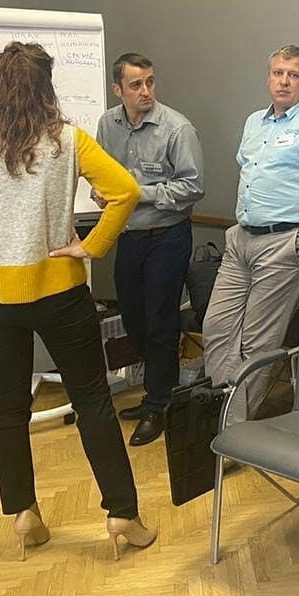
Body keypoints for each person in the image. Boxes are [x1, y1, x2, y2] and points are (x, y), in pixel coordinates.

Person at [0, 42, 154, 561]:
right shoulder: (68, 140)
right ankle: (123, 514)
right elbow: (125, 191)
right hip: (61, 294)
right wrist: (90, 246)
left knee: (8, 407)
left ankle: (24, 513)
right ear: (47, 87)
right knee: (92, 402)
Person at [202, 45, 299, 427]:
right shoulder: (255, 122)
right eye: (278, 73)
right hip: (242, 238)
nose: (284, 81)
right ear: (268, 78)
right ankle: (216, 411)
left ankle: (231, 431)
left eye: (293, 75)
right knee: (216, 327)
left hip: (288, 241)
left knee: (257, 342)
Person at [95, 53, 205, 446]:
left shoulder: (177, 128)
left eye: (150, 82)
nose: (146, 91)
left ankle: (160, 403)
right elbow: (103, 171)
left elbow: (193, 187)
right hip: (128, 236)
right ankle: (156, 394)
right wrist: (101, 191)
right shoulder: (107, 124)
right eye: (136, 84)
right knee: (133, 317)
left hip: (167, 236)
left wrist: (135, 193)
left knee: (160, 322)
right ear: (118, 89)